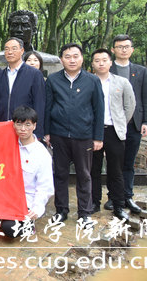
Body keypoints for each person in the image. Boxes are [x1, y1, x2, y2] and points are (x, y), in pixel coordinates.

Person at [44, 43, 104, 224]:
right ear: (61, 59)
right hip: (59, 134)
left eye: (75, 56)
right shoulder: (53, 80)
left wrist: (98, 137)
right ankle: (61, 210)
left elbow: (99, 110)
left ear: (82, 58)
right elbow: (47, 108)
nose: (72, 60)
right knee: (60, 174)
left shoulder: (92, 80)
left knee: (84, 175)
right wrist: (47, 132)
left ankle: (84, 213)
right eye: (67, 56)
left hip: (83, 135)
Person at [107, 34, 147, 214]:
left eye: (126, 46)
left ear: (132, 50)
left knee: (129, 162)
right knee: (114, 162)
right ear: (113, 50)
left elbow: (146, 97)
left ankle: (128, 196)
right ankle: (113, 196)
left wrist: (146, 121)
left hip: (134, 124)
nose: (123, 50)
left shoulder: (140, 71)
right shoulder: (108, 69)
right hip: (113, 124)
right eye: (119, 47)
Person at [0, 106, 54, 238]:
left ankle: (28, 226)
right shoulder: (8, 146)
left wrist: (37, 208)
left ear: (34, 126)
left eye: (27, 125)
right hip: (6, 198)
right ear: (13, 125)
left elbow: (45, 187)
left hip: (26, 202)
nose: (23, 129)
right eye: (19, 124)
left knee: (9, 228)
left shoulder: (41, 154)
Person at [90, 49, 136, 220]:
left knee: (116, 170)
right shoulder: (88, 81)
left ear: (111, 62)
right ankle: (94, 202)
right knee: (93, 169)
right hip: (92, 132)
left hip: (114, 131)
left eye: (104, 60)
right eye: (97, 60)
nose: (101, 63)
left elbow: (130, 106)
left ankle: (118, 205)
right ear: (92, 64)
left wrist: (120, 123)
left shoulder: (122, 82)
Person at [0, 38, 46, 138]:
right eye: (6, 49)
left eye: (14, 48)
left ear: (22, 51)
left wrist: (38, 133)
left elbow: (39, 104)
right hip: (2, 128)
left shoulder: (34, 74)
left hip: (25, 128)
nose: (10, 52)